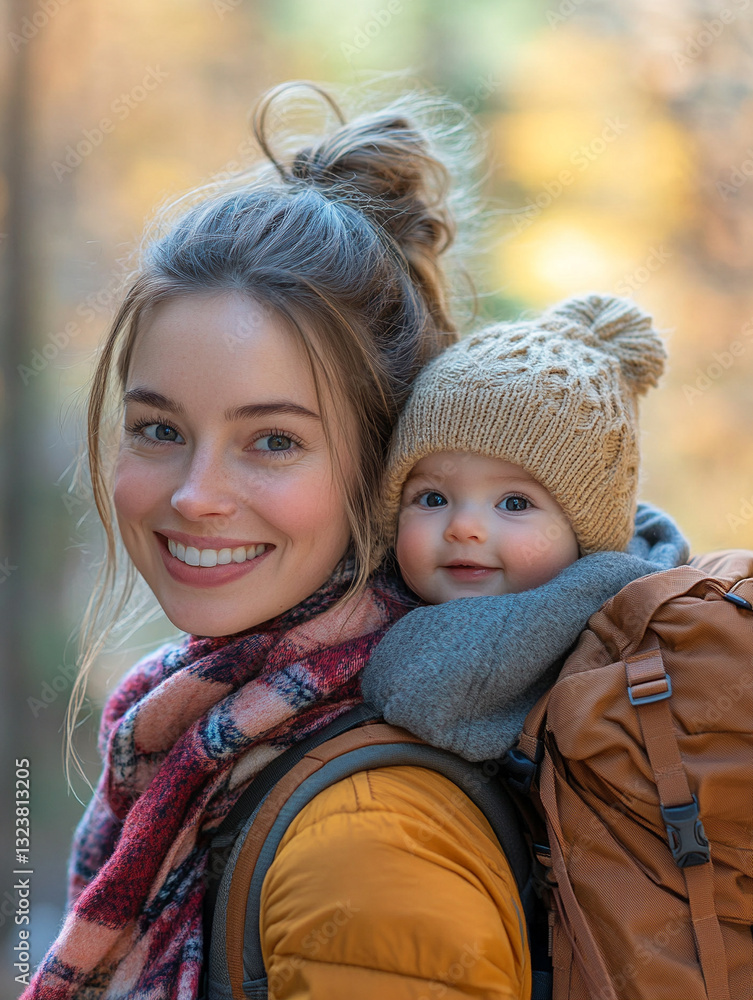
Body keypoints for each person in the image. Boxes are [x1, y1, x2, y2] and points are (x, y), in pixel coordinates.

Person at [26, 80, 686, 1000]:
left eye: (274, 441)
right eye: (159, 429)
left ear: (385, 469)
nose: (194, 495)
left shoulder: (367, 845)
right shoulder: (207, 735)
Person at [361, 293, 690, 761]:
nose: (464, 528)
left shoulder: (599, 625)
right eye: (432, 498)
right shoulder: (354, 601)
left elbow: (426, 693)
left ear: (588, 538)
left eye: (514, 502)